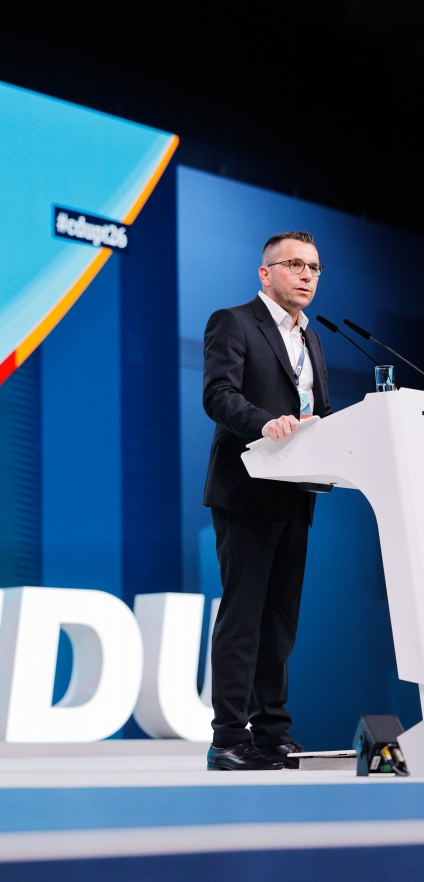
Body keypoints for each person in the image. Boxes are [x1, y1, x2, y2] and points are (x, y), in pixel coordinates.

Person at [202, 231, 331, 770]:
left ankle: (273, 732)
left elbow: (318, 409)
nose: (306, 275)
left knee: (279, 623)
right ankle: (228, 738)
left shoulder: (312, 338)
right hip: (247, 489)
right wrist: (264, 423)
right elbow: (218, 395)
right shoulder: (233, 322)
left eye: (314, 268)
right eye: (295, 264)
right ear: (266, 273)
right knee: (244, 618)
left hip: (296, 494)